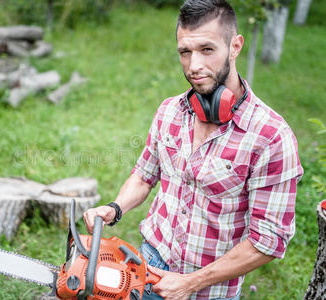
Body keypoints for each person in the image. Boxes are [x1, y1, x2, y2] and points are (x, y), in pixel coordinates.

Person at [83, 0, 303, 299]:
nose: (194, 65)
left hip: (210, 289)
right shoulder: (169, 111)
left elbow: (268, 241)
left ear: (235, 46)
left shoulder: (271, 137)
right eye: (185, 52)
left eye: (207, 50)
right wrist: (115, 207)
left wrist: (190, 283)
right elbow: (144, 175)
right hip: (148, 266)